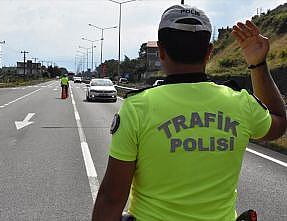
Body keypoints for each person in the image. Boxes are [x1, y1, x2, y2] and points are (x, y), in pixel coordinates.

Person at [92, 4, 286, 221]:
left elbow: (111, 198)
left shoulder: (138, 108)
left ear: (161, 51)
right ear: (209, 52)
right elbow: (278, 122)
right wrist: (258, 64)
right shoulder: (241, 103)